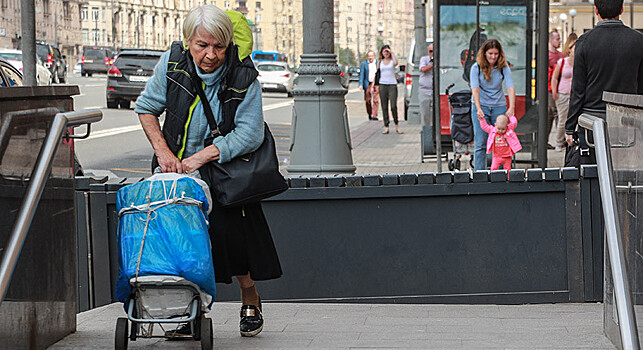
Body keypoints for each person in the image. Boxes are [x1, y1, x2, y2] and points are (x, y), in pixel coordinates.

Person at [134, 5, 282, 338]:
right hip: (175, 175)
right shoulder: (172, 65)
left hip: (224, 174)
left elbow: (250, 133)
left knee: (231, 241)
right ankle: (186, 311)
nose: (210, 55)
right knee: (177, 245)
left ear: (228, 45)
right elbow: (146, 108)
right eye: (202, 46)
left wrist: (201, 157)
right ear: (188, 42)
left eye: (219, 46)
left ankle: (249, 294)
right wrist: (163, 152)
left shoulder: (244, 77)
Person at [565, 0, 643, 160]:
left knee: (592, 175)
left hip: (592, 122)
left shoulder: (584, 42)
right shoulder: (638, 40)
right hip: (628, 121)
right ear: (621, 9)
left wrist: (570, 128)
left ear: (596, 10)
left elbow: (578, 90)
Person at [470, 39, 515, 171]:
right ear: (484, 53)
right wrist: (478, 108)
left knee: (502, 140)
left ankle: (501, 173)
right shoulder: (476, 67)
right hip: (481, 105)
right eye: (490, 53)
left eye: (496, 54)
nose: (493, 57)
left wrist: (511, 106)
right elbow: (475, 89)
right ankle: (479, 174)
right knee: (480, 142)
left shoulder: (503, 67)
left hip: (498, 106)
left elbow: (510, 87)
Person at [551, 33, 578, 152]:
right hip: (562, 94)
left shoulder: (580, 63)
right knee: (562, 119)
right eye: (574, 48)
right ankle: (558, 142)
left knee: (574, 120)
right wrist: (555, 93)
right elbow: (555, 78)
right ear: (570, 49)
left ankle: (570, 141)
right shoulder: (562, 62)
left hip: (575, 95)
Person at [376, 45, 403, 134]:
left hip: (392, 84)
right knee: (384, 107)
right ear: (382, 53)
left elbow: (396, 63)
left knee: (393, 106)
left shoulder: (392, 61)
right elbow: (377, 72)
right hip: (383, 84)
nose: (386, 53)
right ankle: (386, 126)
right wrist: (374, 85)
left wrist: (392, 52)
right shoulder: (380, 61)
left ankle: (396, 125)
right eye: (384, 51)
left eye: (387, 51)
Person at [547, 30, 564, 150]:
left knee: (559, 114)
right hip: (549, 90)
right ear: (550, 40)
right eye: (557, 39)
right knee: (552, 113)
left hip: (560, 89)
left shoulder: (561, 56)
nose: (559, 41)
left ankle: (560, 139)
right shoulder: (547, 56)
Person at [358, 50, 379, 121]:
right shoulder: (364, 64)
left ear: (374, 56)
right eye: (369, 56)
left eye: (372, 56)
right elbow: (361, 74)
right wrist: (360, 84)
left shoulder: (377, 63)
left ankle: (374, 115)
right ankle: (369, 113)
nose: (370, 58)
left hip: (376, 83)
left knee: (376, 100)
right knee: (368, 100)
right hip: (368, 83)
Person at [419, 44, 434, 126]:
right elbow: (423, 69)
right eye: (430, 51)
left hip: (435, 91)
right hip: (425, 91)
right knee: (425, 114)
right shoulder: (424, 59)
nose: (432, 53)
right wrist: (433, 65)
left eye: (434, 51)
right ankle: (427, 132)